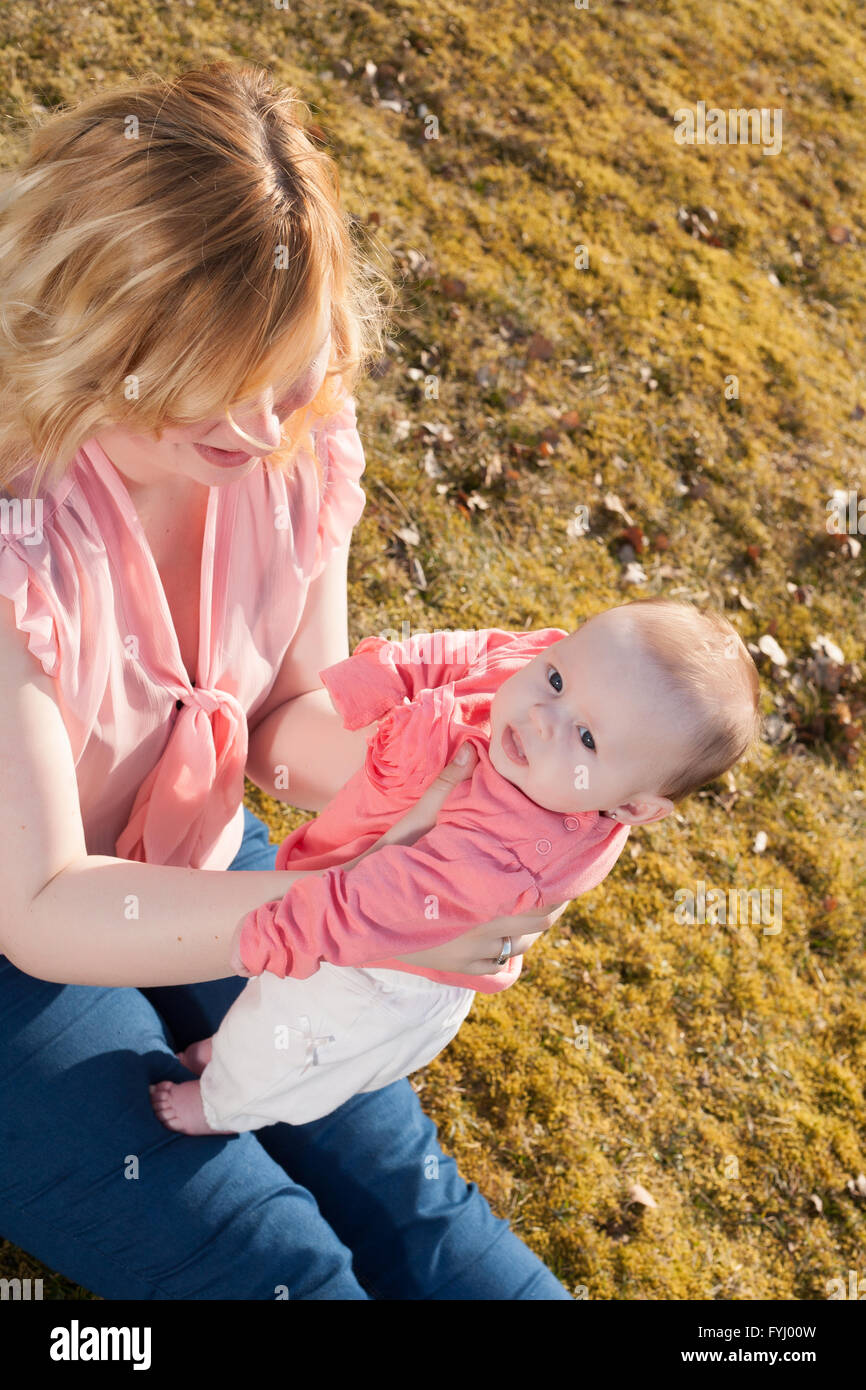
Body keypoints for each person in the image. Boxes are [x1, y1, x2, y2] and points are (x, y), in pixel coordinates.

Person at [0, 62, 573, 1299]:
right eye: (216, 391)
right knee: (266, 1262)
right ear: (93, 340)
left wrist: (436, 798)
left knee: (406, 1192)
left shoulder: (288, 441)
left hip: (194, 864)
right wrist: (346, 911)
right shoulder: (14, 536)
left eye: (289, 371)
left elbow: (285, 720)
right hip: (20, 938)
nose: (265, 430)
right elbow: (42, 902)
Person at [148, 599, 761, 1135]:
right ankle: (222, 1049)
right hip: (349, 893)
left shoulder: (511, 847)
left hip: (380, 973)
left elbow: (374, 904)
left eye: (588, 740)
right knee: (266, 1002)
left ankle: (222, 1104)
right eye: (554, 680)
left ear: (630, 806)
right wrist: (381, 680)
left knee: (282, 1045)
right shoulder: (554, 673)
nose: (542, 717)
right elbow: (470, 654)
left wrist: (270, 929)